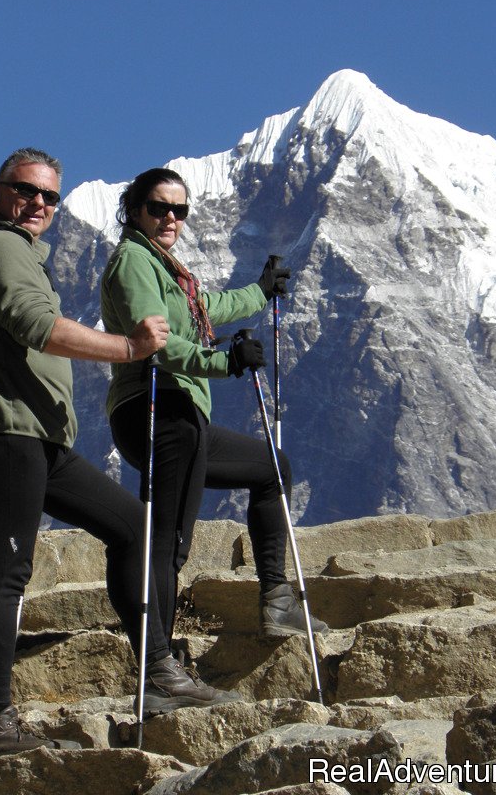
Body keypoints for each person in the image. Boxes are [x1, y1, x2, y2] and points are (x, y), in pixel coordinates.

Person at [0, 149, 239, 763]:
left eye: (51, 197)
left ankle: (157, 670)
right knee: (6, 573)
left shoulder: (24, 254)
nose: (40, 206)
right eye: (26, 192)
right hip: (4, 434)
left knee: (134, 528)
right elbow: (37, 326)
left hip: (39, 440)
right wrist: (129, 348)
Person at [99, 167, 329, 661]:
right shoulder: (135, 262)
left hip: (182, 415)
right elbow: (155, 343)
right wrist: (222, 362)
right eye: (160, 208)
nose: (170, 219)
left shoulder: (164, 268)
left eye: (179, 210)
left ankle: (277, 600)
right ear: (135, 209)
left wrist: (260, 292)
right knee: (169, 536)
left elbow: (204, 307)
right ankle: (157, 661)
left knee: (272, 468)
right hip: (156, 408)